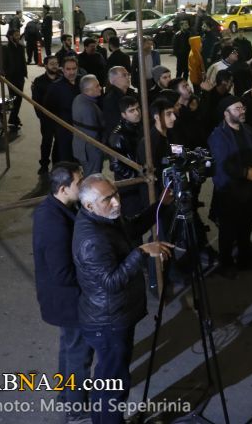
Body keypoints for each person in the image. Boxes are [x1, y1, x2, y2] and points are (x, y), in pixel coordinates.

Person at [72, 174, 172, 424]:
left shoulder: (103, 218)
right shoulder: (92, 239)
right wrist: (141, 252)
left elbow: (132, 227)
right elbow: (111, 282)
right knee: (113, 385)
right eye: (108, 199)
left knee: (108, 379)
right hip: (108, 322)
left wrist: (160, 206)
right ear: (89, 205)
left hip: (112, 317)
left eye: (115, 194)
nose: (117, 202)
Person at [32, 162, 94, 423]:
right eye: (79, 182)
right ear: (63, 189)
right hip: (68, 302)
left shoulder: (57, 208)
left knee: (69, 348)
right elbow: (63, 274)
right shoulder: (54, 222)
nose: (84, 185)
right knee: (79, 354)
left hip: (62, 301)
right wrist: (95, 278)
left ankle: (66, 396)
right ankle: (76, 409)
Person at [209, 95, 252, 277]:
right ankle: (225, 262)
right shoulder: (218, 135)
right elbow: (223, 164)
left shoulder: (248, 130)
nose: (242, 112)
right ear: (226, 113)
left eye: (242, 108)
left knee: (245, 226)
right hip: (229, 191)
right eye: (237, 109)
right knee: (228, 229)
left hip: (248, 190)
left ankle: (244, 258)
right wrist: (246, 173)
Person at [108, 95, 145, 218]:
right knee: (133, 217)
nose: (137, 113)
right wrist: (136, 176)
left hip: (142, 180)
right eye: (131, 110)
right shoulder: (118, 136)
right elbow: (115, 165)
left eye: (138, 108)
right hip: (129, 186)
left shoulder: (140, 126)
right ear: (123, 115)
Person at [44, 56, 81, 162]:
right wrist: (55, 128)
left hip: (81, 128)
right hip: (64, 129)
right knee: (65, 157)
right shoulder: (55, 87)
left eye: (74, 69)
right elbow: (48, 110)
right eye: (68, 69)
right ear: (63, 69)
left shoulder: (82, 82)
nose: (72, 72)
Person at [72, 75, 105, 175]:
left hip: (80, 145)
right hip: (90, 151)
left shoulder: (78, 98)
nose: (100, 88)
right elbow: (93, 135)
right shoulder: (89, 108)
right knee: (92, 177)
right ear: (88, 90)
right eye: (97, 86)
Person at [0, 27, 27, 128]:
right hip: (11, 77)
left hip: (20, 76)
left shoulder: (21, 47)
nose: (18, 36)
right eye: (16, 35)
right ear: (10, 36)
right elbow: (1, 62)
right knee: (14, 98)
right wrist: (4, 73)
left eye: (18, 34)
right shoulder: (5, 48)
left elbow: (23, 61)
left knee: (19, 99)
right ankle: (14, 119)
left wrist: (24, 73)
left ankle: (14, 118)